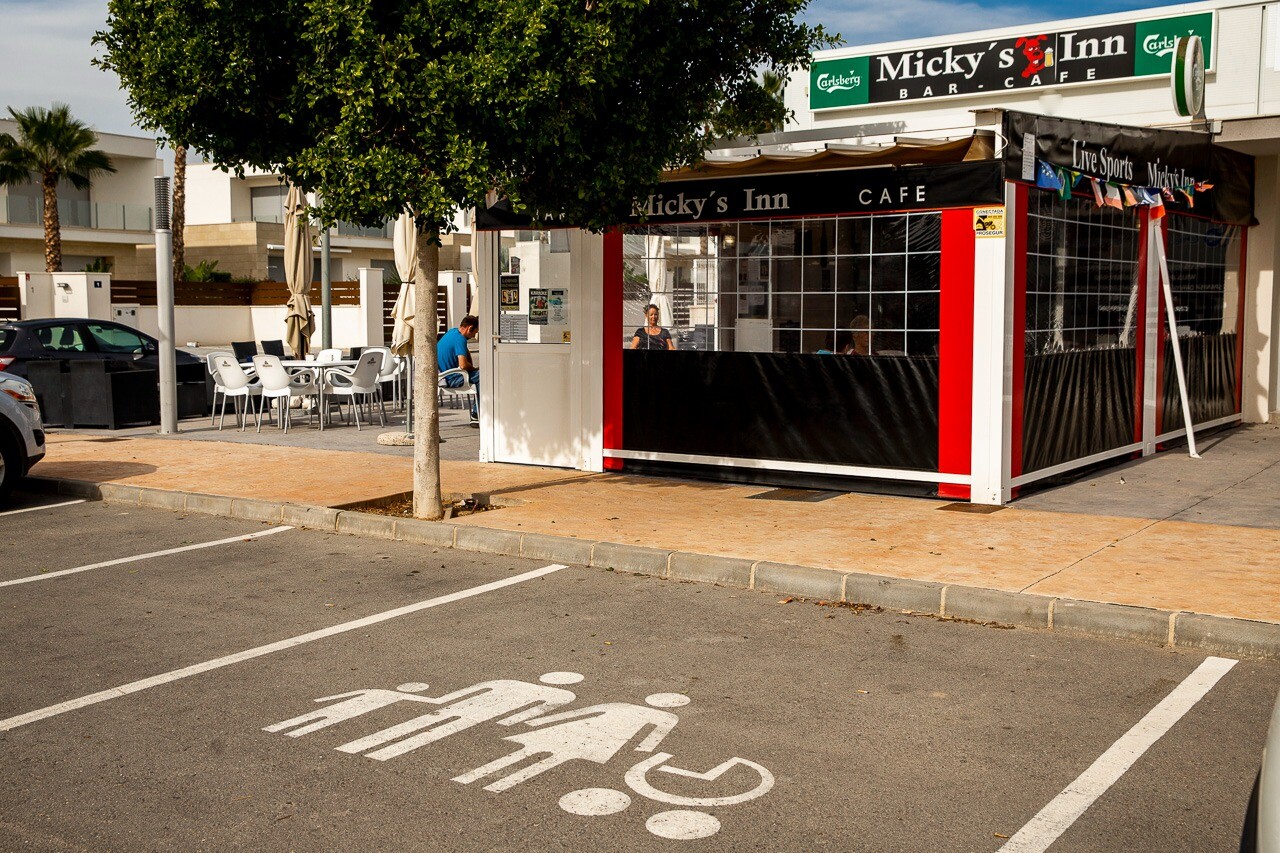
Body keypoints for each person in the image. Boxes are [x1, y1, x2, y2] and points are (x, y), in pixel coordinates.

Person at [438, 314, 480, 423]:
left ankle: (478, 412)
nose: (473, 336)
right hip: (452, 378)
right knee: (484, 376)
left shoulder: (452, 332)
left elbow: (465, 358)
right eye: (475, 332)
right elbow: (463, 365)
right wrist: (474, 369)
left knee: (480, 375)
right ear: (470, 328)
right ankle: (476, 414)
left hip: (443, 376)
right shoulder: (460, 339)